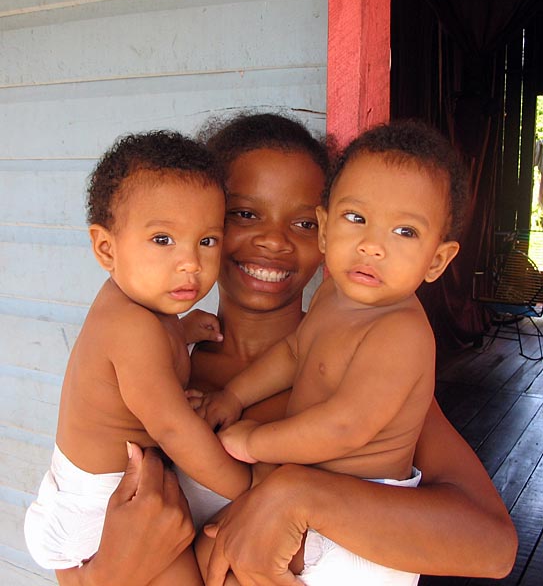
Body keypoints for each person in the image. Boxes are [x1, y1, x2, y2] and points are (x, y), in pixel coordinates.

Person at [55, 113, 517, 586]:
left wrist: (299, 496)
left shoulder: (361, 364)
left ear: (323, 233)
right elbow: (73, 551)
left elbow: (494, 548)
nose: (274, 240)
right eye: (243, 214)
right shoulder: (159, 369)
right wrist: (111, 571)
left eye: (301, 222)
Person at [196, 120, 463, 585]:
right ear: (326, 230)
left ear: (437, 261)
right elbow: (294, 352)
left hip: (355, 537)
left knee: (219, 552)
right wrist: (234, 397)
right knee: (213, 551)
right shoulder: (332, 297)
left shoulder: (401, 333)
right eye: (356, 219)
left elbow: (345, 426)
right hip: (312, 524)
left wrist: (254, 442)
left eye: (404, 231)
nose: (372, 246)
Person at [24, 131, 251, 585]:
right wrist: (246, 488)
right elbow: (173, 429)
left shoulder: (141, 309)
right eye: (163, 239)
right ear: (106, 248)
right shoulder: (132, 328)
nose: (190, 262)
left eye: (207, 241)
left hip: (92, 491)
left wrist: (182, 331)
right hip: (99, 507)